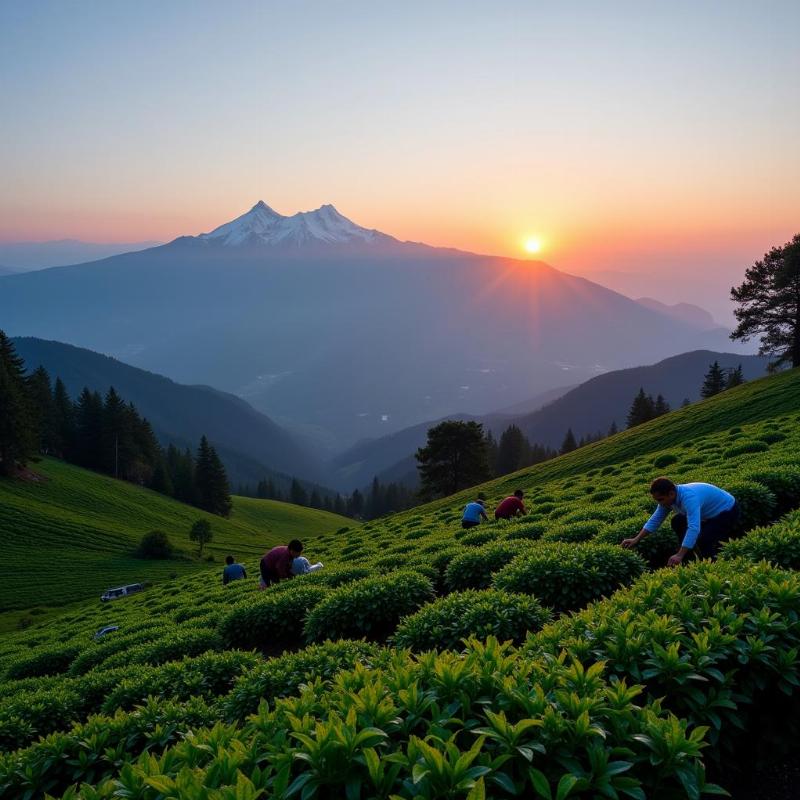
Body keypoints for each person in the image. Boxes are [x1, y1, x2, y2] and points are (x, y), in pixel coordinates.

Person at [622, 477, 739, 566]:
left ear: (671, 493)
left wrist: (679, 555)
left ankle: (712, 567)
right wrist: (636, 539)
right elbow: (655, 520)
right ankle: (688, 556)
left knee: (704, 540)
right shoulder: (667, 499)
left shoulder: (689, 498)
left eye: (660, 499)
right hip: (707, 514)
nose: (660, 503)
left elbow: (694, 527)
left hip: (727, 511)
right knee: (677, 521)